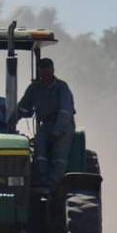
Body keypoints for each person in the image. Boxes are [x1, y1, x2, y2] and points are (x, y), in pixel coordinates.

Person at [14, 58, 76, 188]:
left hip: (63, 125)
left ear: (52, 70)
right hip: (46, 124)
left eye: (47, 71)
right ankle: (41, 179)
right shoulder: (35, 88)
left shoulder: (61, 87)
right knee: (39, 147)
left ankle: (53, 183)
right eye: (42, 72)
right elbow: (23, 107)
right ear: (39, 72)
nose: (45, 75)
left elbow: (65, 111)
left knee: (59, 154)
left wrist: (58, 130)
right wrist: (11, 122)